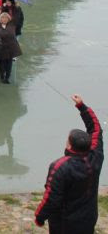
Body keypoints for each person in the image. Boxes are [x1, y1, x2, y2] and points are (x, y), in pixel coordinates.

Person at [34, 94, 103, 232]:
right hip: (88, 218)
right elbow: (96, 129)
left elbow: (52, 198)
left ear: (70, 146)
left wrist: (40, 217)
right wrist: (82, 106)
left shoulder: (60, 167)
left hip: (65, 223)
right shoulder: (96, 156)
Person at [0, 12, 22, 84]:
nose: (4, 19)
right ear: (0, 19)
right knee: (2, 64)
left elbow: (17, 16)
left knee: (9, 64)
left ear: (8, 19)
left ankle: (7, 77)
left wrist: (17, 7)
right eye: (3, 18)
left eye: (6, 18)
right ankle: (2, 76)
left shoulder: (12, 25)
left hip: (10, 49)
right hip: (1, 49)